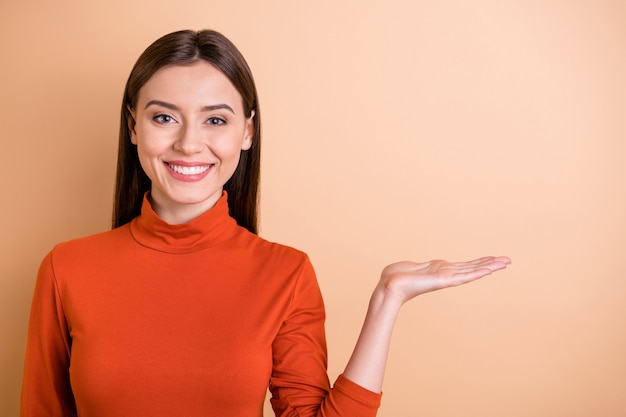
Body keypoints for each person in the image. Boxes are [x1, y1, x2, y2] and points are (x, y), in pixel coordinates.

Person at [20, 29, 511, 417]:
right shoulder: (67, 269)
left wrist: (388, 298)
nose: (189, 144)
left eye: (215, 120)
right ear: (133, 126)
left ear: (247, 131)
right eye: (164, 118)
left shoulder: (286, 273)